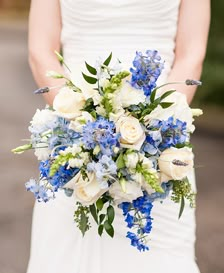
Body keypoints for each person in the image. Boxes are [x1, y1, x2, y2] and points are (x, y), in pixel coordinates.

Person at [27, 1, 210, 273]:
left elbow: (191, 55)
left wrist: (153, 123)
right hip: (75, 136)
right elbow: (40, 51)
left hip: (160, 144)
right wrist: (83, 120)